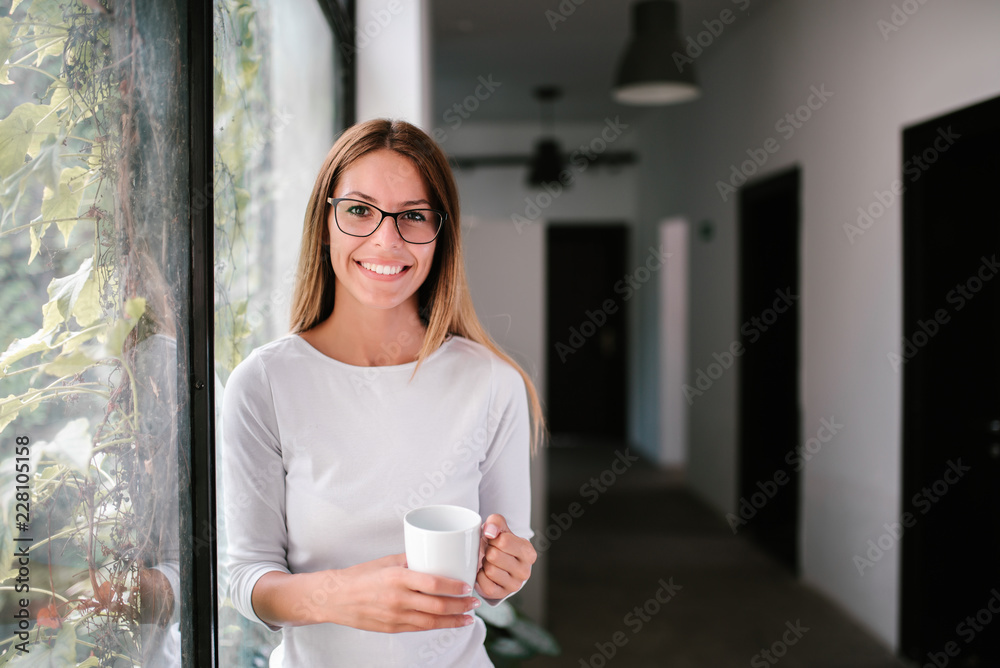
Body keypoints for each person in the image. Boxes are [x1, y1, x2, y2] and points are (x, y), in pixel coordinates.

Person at [222, 118, 544, 667]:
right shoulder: (265, 382)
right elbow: (246, 578)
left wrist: (505, 572)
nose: (385, 239)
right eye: (359, 210)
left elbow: (498, 579)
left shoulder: (493, 383)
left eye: (414, 215)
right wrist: (341, 596)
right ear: (325, 221)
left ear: (441, 232)